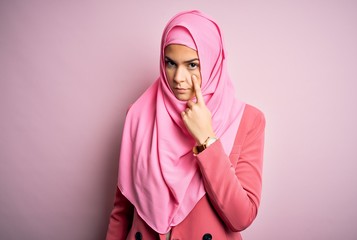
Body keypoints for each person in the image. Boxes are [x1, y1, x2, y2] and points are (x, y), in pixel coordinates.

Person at [106, 10, 265, 240]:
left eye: (192, 65)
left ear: (212, 63)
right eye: (170, 63)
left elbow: (241, 216)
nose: (178, 77)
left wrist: (207, 139)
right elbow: (122, 211)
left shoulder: (247, 120)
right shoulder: (138, 115)